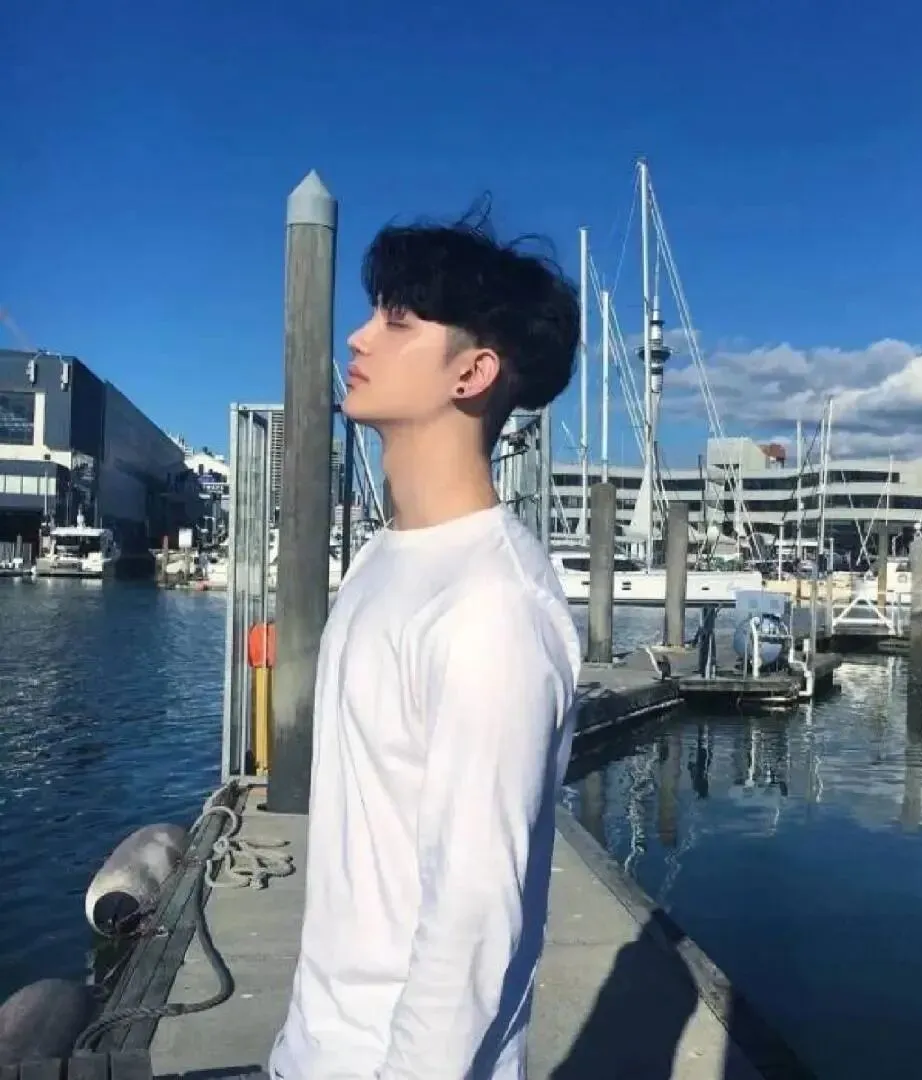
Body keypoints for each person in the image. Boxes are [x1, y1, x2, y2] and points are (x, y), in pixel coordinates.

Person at [267, 205, 583, 1080]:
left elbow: (475, 915)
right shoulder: (382, 559)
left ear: (473, 372)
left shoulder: (494, 608)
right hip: (314, 1047)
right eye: (374, 312)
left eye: (399, 320)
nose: (360, 336)